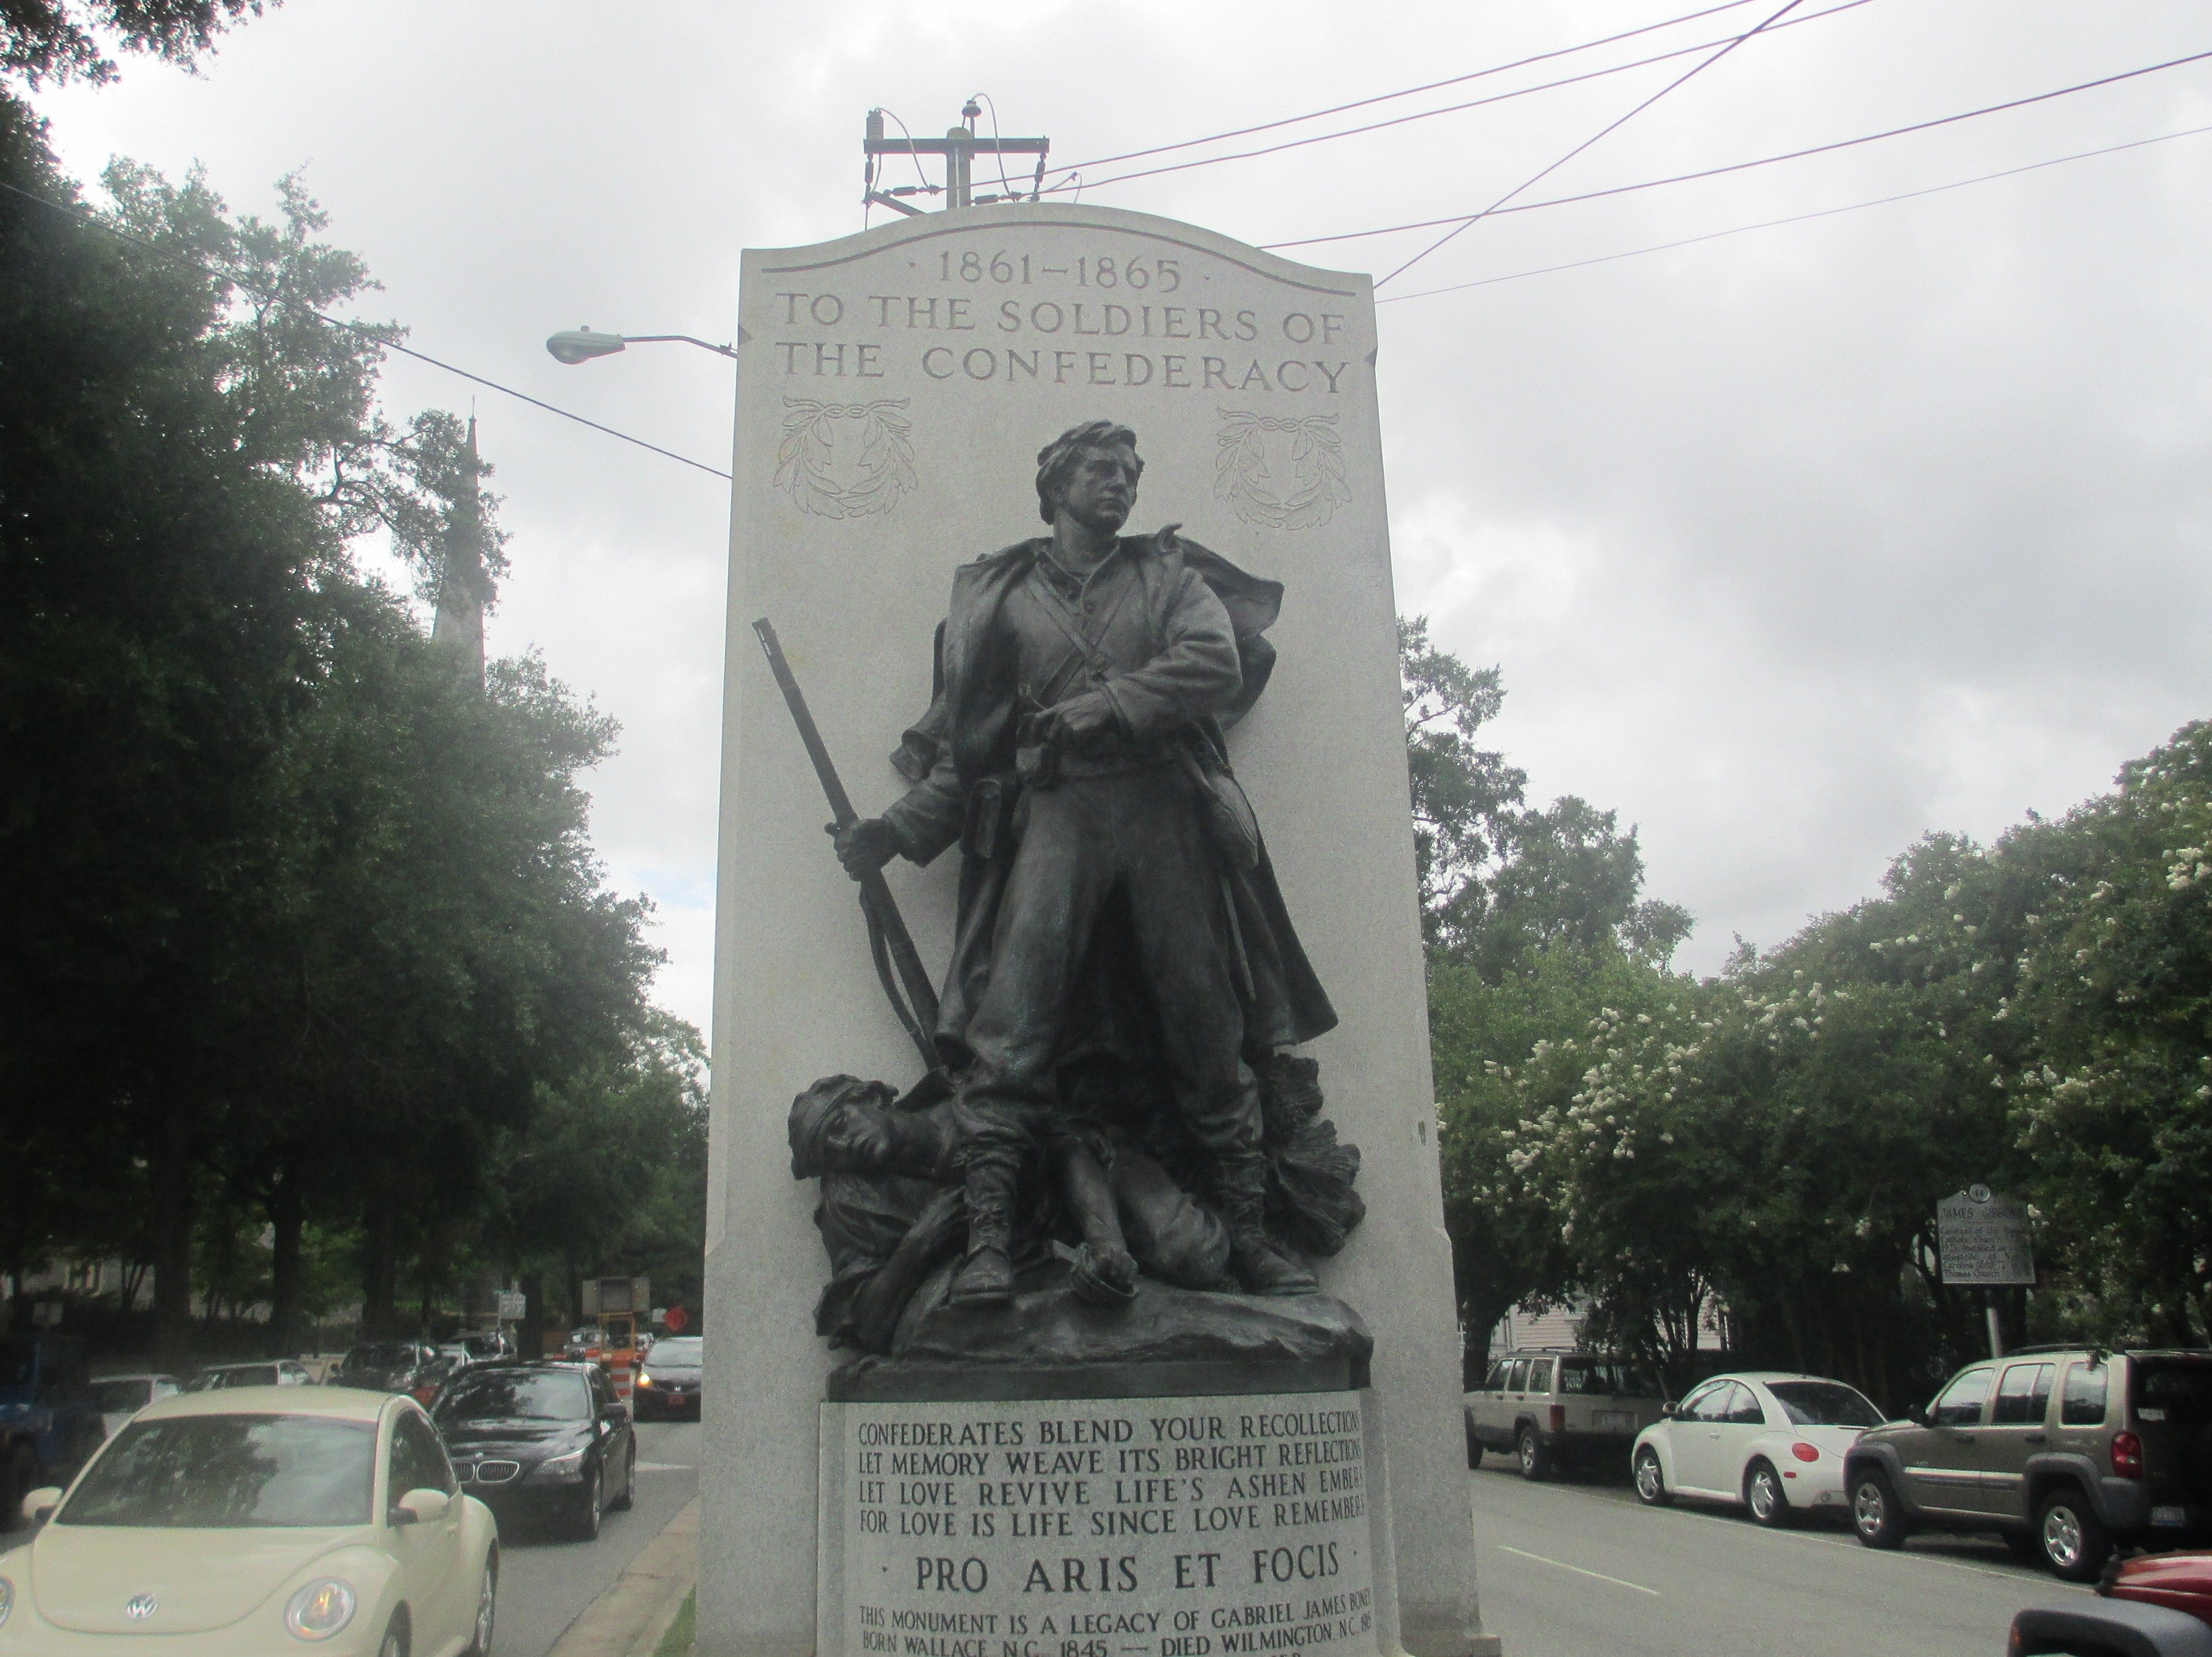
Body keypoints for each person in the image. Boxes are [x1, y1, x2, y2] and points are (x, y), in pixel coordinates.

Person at [833, 419, 1334, 1305]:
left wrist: (1102, 707)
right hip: (1056, 814)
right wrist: (898, 831)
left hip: (1162, 811)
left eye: (1129, 473)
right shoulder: (1003, 597)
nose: (1119, 484)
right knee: (1010, 1032)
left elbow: (1212, 663)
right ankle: (987, 1242)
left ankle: (1250, 1238)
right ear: (1056, 485)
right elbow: (972, 750)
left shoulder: (1166, 577)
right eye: (1100, 470)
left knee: (1207, 1025)